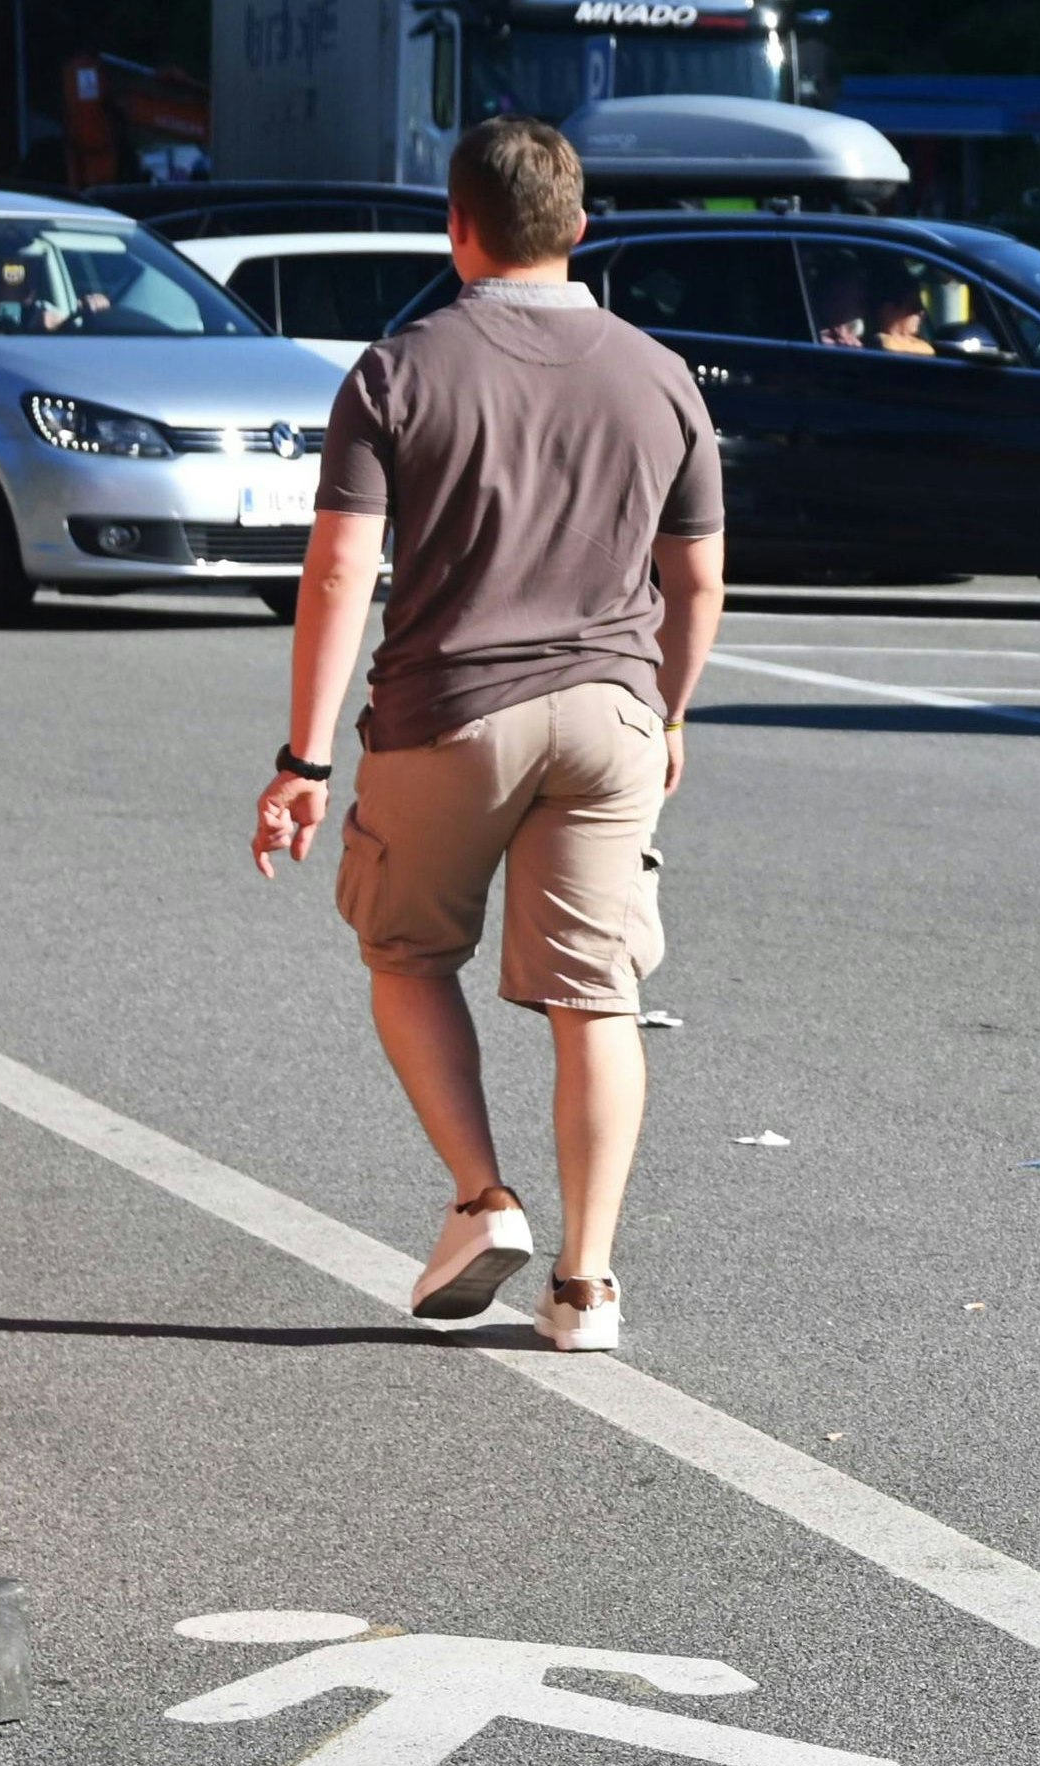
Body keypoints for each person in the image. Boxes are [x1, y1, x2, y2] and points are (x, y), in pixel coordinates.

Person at [246, 114, 727, 1355]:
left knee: (406, 954)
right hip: (614, 713)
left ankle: (483, 1197)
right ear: (577, 229)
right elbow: (700, 580)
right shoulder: (659, 373)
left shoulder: (398, 370)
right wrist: (665, 711)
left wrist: (303, 762)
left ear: (456, 228)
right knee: (597, 997)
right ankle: (588, 1288)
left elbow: (342, 569)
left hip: (450, 713)